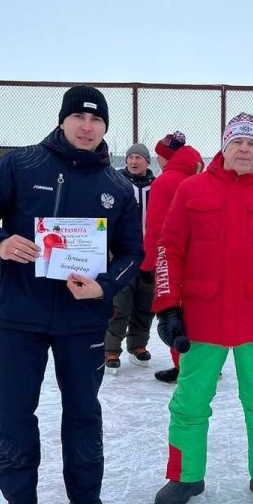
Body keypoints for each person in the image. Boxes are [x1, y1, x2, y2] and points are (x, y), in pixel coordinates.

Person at [0, 85, 144, 504]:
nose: (87, 127)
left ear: (105, 127)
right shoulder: (20, 165)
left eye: (96, 120)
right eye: (79, 117)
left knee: (84, 411)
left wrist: (104, 286)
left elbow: (132, 252)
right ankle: (20, 503)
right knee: (13, 411)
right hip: (18, 315)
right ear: (62, 120)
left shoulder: (117, 187)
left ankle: (84, 494)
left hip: (82, 321)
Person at [151, 112, 253, 504]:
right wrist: (168, 308)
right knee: (189, 401)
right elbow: (170, 249)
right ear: (223, 147)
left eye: (252, 143)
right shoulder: (192, 189)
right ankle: (185, 476)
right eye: (237, 142)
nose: (244, 149)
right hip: (202, 318)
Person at [141, 130, 204, 383]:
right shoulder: (203, 177)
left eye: (158, 156)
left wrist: (147, 264)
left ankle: (184, 366)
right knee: (200, 312)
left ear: (166, 157)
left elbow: (156, 227)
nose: (157, 160)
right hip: (203, 259)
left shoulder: (165, 182)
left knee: (173, 313)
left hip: (173, 258)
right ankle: (205, 362)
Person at [104, 143, 156, 371]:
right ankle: (111, 349)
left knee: (146, 304)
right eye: (130, 158)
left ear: (147, 162)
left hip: (150, 256)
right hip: (122, 255)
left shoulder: (157, 186)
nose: (133, 162)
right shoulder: (115, 183)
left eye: (139, 158)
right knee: (120, 303)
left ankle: (138, 345)